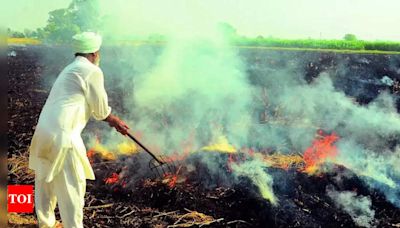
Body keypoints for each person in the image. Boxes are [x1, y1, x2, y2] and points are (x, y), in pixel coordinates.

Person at [29, 32, 129, 228]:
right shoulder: (92, 70)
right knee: (72, 186)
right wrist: (115, 121)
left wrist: (111, 119)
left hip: (43, 132)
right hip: (64, 135)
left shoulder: (70, 68)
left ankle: (45, 224)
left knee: (45, 183)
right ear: (94, 52)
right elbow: (100, 110)